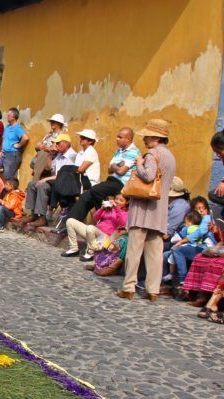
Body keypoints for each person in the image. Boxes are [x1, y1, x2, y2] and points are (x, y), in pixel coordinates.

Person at [118, 119, 177, 302]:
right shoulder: (170, 157)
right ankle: (153, 290)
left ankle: (129, 287)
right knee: (155, 253)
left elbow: (149, 176)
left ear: (154, 137)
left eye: (147, 136)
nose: (144, 140)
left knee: (134, 250)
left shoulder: (152, 155)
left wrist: (138, 163)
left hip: (143, 208)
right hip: (159, 211)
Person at [65, 127, 140, 225]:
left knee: (96, 190)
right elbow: (109, 169)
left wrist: (115, 166)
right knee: (86, 196)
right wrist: (115, 166)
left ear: (128, 139)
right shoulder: (119, 150)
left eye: (120, 137)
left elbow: (121, 172)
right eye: (117, 137)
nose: (117, 139)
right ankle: (71, 223)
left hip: (123, 183)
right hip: (113, 180)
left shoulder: (133, 152)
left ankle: (105, 217)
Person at [20, 131, 75, 227]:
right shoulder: (59, 155)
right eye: (56, 143)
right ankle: (33, 214)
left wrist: (45, 179)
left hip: (64, 183)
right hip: (55, 181)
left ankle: (42, 217)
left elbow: (63, 175)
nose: (56, 145)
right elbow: (49, 168)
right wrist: (50, 154)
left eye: (58, 143)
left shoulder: (71, 156)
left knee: (42, 185)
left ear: (66, 143)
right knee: (32, 184)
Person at [63, 193, 129, 259]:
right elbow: (95, 217)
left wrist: (117, 209)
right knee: (70, 221)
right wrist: (102, 208)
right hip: (92, 234)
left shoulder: (126, 213)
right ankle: (74, 249)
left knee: (91, 228)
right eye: (116, 199)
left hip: (107, 239)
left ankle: (90, 253)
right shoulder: (109, 209)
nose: (117, 201)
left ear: (126, 202)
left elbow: (122, 223)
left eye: (121, 200)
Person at [0, 107, 27, 181]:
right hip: (4, 154)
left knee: (7, 176)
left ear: (13, 117)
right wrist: (1, 151)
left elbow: (25, 138)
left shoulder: (17, 128)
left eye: (8, 115)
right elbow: (4, 139)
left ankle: (7, 191)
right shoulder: (7, 127)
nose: (7, 117)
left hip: (12, 155)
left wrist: (19, 145)